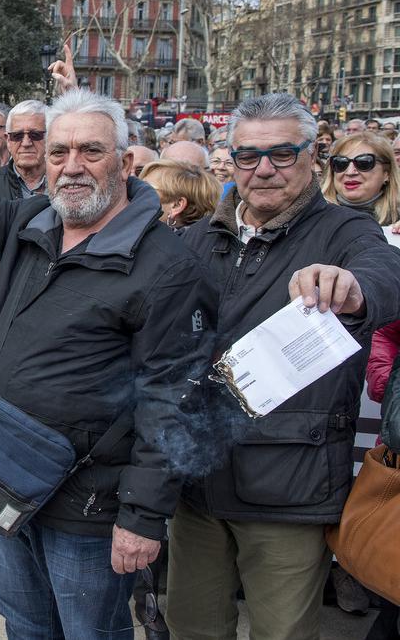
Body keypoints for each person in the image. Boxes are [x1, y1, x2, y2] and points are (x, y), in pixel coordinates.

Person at [0, 89, 216, 637]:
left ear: (126, 163)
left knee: (89, 632)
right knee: (25, 624)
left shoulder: (168, 269)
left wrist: (142, 517)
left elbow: (172, 403)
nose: (71, 167)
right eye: (58, 153)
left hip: (90, 508)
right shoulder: (34, 219)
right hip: (9, 480)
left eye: (90, 151)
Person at [168, 93, 400, 640]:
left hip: (289, 489)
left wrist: (353, 288)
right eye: (248, 156)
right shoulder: (198, 238)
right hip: (195, 482)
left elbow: (385, 275)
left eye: (282, 153)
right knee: (191, 627)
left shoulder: (346, 231)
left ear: (312, 157)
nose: (264, 169)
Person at [0, 100, 48, 200]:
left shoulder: (68, 182)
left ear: (51, 137)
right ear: (8, 139)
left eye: (35, 135)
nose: (26, 143)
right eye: (17, 135)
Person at [320, 132, 400, 225]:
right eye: (341, 163)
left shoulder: (397, 219)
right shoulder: (311, 214)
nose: (350, 172)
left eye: (364, 162)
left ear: (387, 173)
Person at [138, 158, 220, 229]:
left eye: (146, 188)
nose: (135, 192)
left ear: (177, 205)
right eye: (138, 185)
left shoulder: (175, 246)